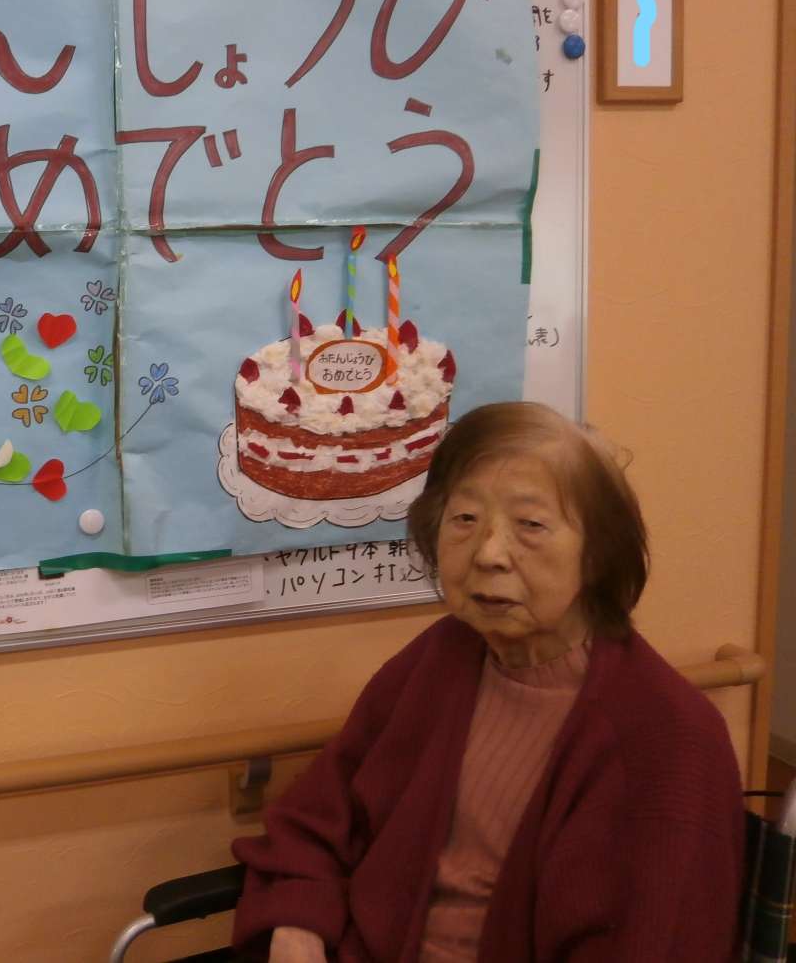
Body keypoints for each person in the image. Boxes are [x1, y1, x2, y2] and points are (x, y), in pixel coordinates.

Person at [231, 402, 744, 962]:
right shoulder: (443, 657)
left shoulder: (671, 739)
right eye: (465, 519)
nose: (489, 554)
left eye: (531, 525)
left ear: (599, 553)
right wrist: (297, 924)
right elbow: (319, 818)